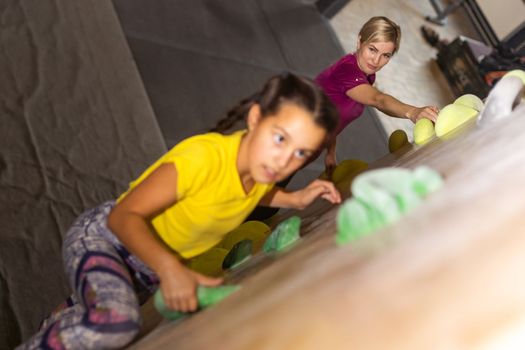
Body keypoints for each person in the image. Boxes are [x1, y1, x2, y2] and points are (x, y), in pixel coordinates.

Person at [17, 73, 341, 350]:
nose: (285, 160)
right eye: (280, 138)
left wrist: (295, 200)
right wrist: (171, 269)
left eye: (301, 152)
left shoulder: (259, 170)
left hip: (146, 269)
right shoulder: (202, 158)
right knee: (117, 322)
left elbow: (252, 194)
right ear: (255, 118)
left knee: (86, 310)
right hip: (106, 241)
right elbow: (122, 218)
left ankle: (54, 325)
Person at [316, 16, 439, 176]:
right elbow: (378, 99)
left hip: (311, 143)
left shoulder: (368, 75)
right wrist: (413, 112)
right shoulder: (347, 70)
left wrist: (330, 152)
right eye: (372, 49)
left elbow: (334, 114)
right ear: (360, 41)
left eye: (386, 55)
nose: (376, 60)